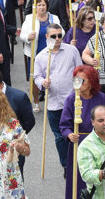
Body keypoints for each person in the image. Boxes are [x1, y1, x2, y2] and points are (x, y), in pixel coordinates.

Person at [59, 65, 105, 199]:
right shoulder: (72, 99)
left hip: (100, 143)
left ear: (91, 82)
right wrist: (69, 134)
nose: (78, 83)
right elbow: (64, 125)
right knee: (78, 180)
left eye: (82, 80)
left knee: (100, 175)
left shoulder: (102, 98)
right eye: (76, 79)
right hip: (79, 143)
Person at [34, 24, 82, 170]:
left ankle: (80, 163)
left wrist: (79, 87)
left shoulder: (72, 50)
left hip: (73, 100)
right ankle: (66, 166)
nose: (57, 39)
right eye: (53, 36)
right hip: (54, 102)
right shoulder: (41, 57)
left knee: (76, 134)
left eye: (59, 35)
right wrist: (43, 82)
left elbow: (79, 71)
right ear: (47, 37)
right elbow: (36, 77)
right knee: (60, 136)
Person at [18, 0, 63, 82]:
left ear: (47, 6)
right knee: (35, 79)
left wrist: (56, 35)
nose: (41, 7)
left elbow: (62, 31)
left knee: (50, 78)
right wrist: (28, 37)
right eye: (39, 5)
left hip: (51, 54)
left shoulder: (54, 18)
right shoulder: (29, 18)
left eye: (43, 5)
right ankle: (36, 96)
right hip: (35, 54)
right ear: (35, 7)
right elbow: (22, 35)